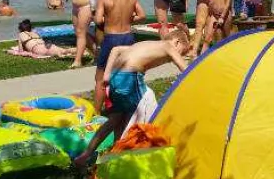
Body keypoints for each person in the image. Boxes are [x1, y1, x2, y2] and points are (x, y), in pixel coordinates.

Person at [73, 26, 191, 170]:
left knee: (116, 119)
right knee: (145, 109)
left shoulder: (146, 44)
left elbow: (116, 50)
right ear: (177, 42)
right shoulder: (168, 46)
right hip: (130, 77)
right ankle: (130, 153)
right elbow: (187, 70)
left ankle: (89, 154)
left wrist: (107, 74)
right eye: (181, 52)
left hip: (116, 76)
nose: (175, 58)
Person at [93, 0, 146, 110]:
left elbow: (98, 20)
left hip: (111, 39)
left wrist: (108, 20)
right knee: (125, 74)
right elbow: (142, 15)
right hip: (128, 38)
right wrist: (128, 19)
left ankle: (96, 113)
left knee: (100, 78)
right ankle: (128, 108)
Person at [68, 0, 103, 69]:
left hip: (86, 6)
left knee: (81, 32)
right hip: (75, 6)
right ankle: (97, 54)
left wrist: (95, 8)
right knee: (78, 32)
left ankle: (78, 60)